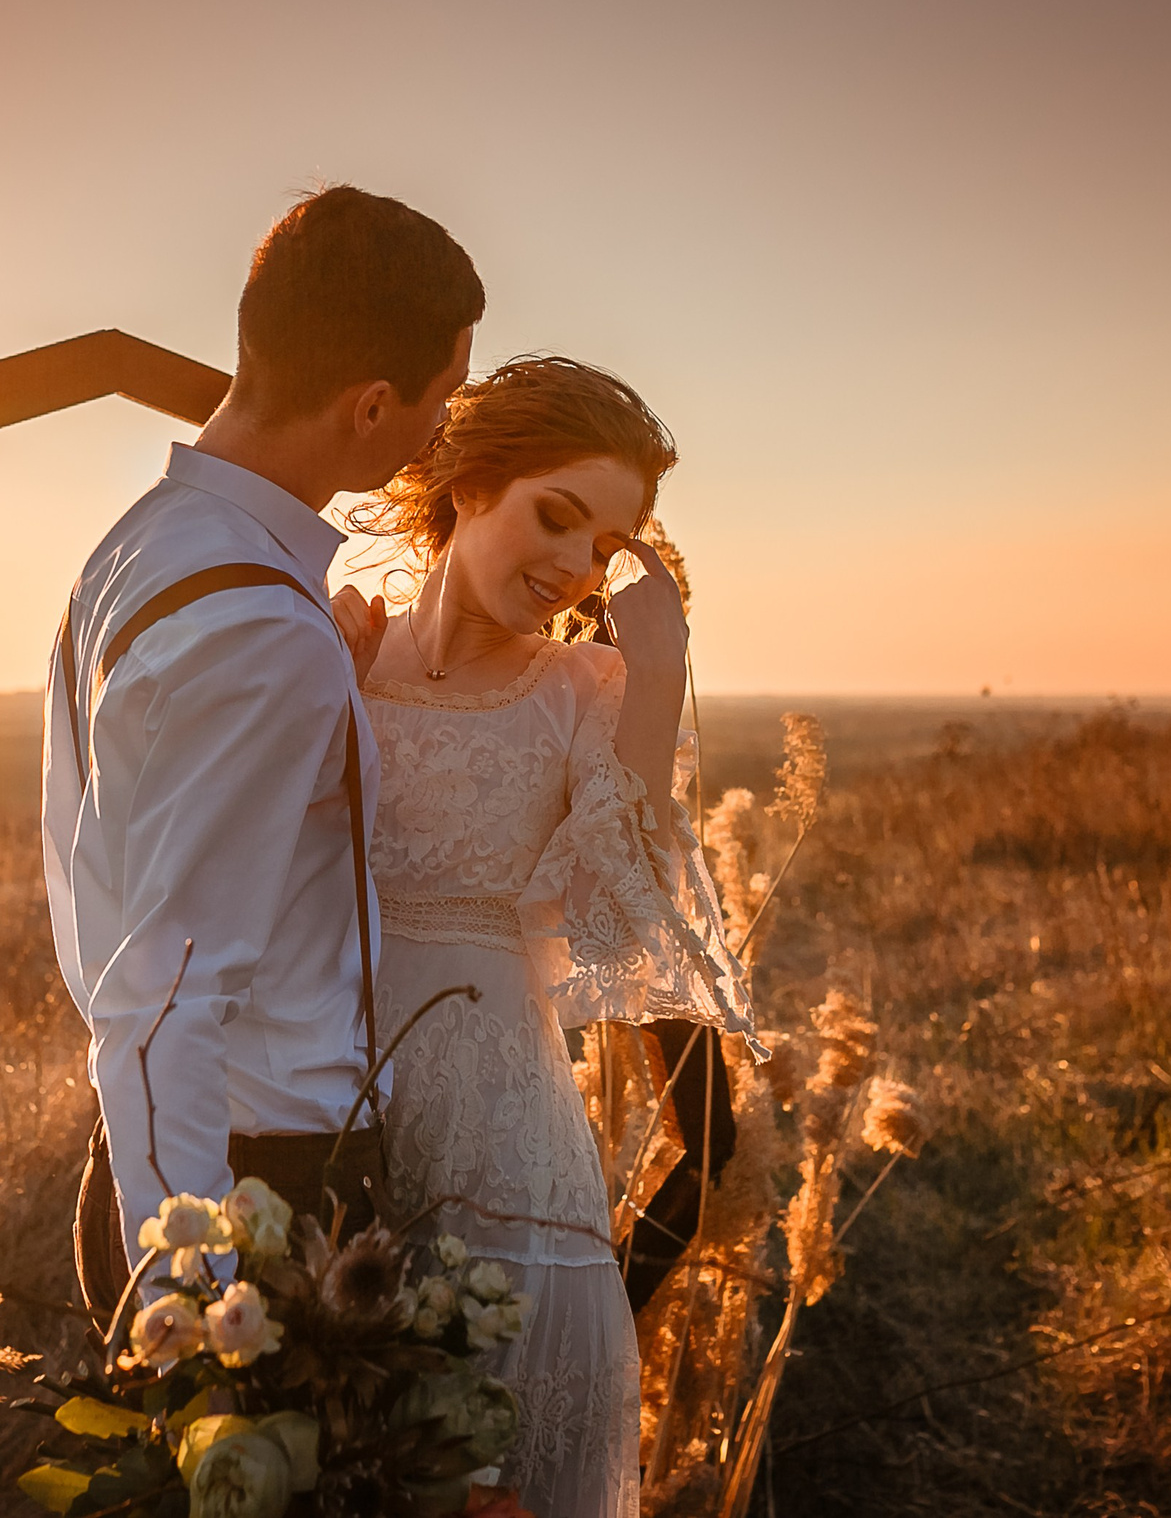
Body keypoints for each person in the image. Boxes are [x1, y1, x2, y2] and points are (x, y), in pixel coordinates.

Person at [41, 185, 484, 1315]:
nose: (443, 431)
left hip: (192, 1165)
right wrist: (194, 1314)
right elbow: (158, 1004)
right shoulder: (257, 631)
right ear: (373, 405)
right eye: (441, 400)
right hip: (247, 1198)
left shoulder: (142, 546)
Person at [335, 356, 761, 1518]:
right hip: (327, 1141)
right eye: (553, 515)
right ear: (468, 483)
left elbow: (630, 928)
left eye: (604, 543)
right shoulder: (337, 654)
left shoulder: (580, 689)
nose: (571, 567)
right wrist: (321, 678)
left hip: (506, 1161)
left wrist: (656, 674)